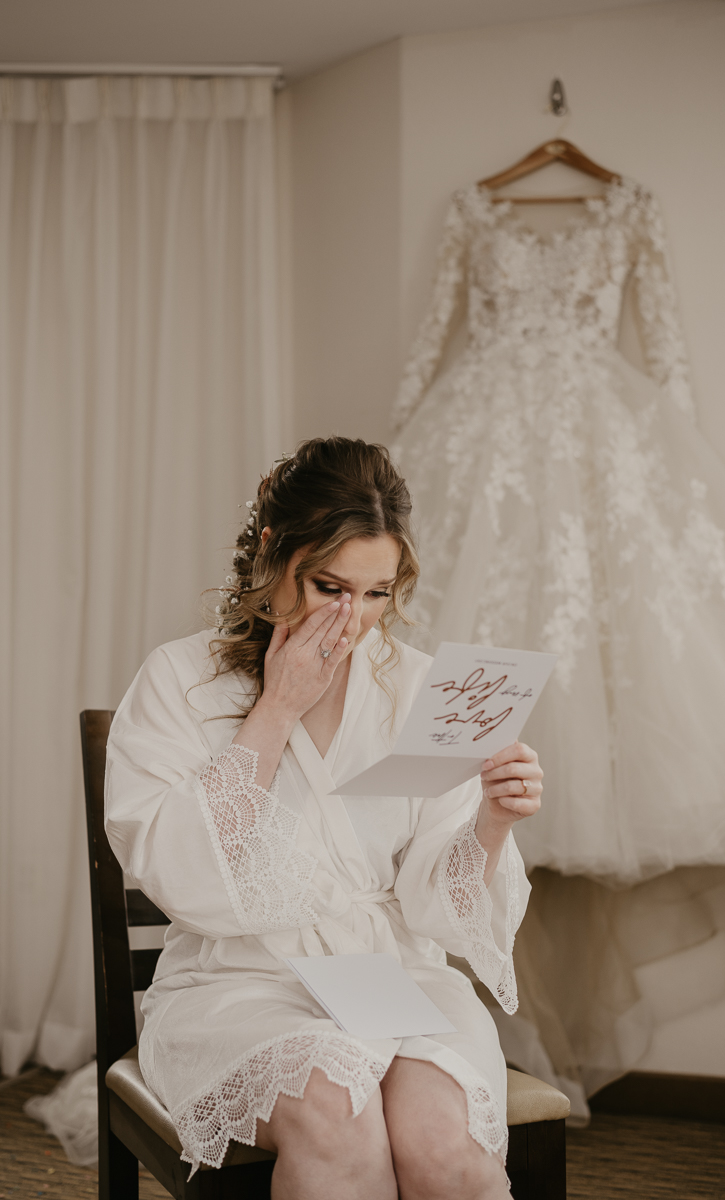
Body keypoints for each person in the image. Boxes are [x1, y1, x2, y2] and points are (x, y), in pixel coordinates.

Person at [105, 437, 542, 1200]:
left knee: (445, 1147)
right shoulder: (178, 682)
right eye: (328, 586)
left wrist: (493, 822)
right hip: (238, 983)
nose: (352, 620)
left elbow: (435, 906)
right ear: (273, 553)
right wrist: (276, 707)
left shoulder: (420, 690)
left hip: (392, 976)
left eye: (377, 593)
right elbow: (173, 871)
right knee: (338, 1116)